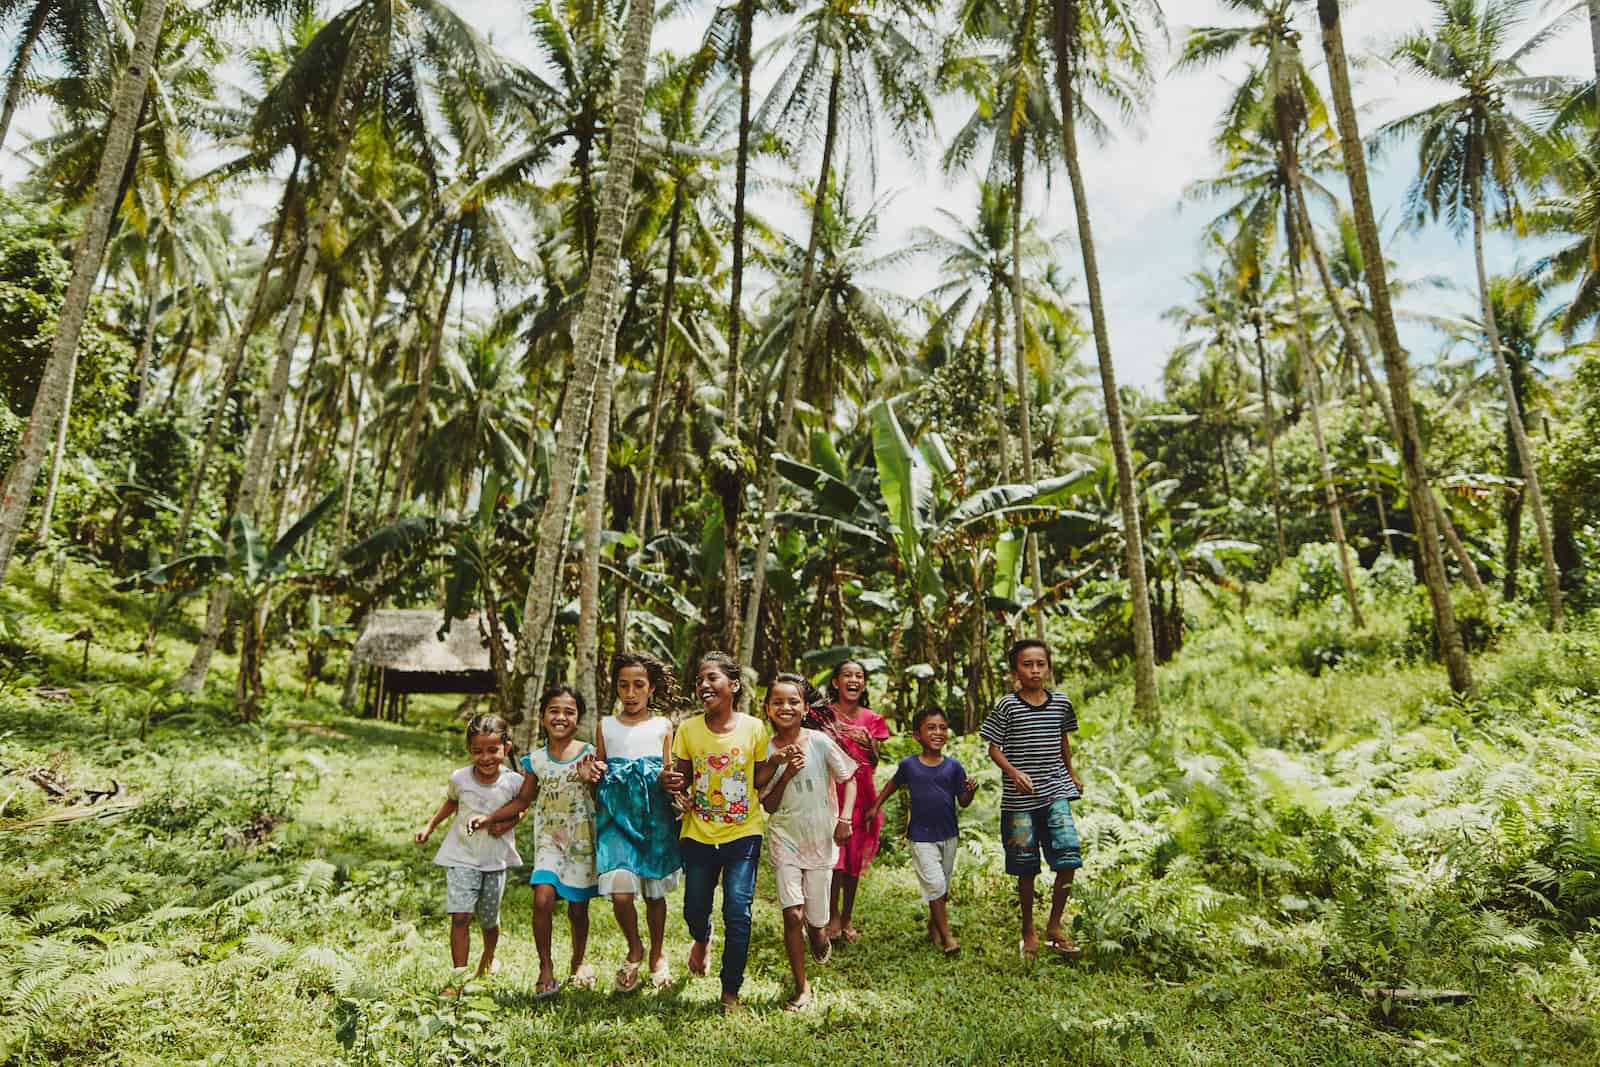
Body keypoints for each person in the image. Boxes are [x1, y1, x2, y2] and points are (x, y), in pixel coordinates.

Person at [660, 651, 776, 1013]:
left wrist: (778, 763)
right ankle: (702, 937)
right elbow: (680, 776)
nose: (704, 685)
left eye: (712, 678)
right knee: (695, 908)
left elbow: (757, 777)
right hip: (697, 834)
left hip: (744, 832)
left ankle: (730, 992)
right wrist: (669, 781)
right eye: (699, 680)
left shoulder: (754, 727)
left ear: (734, 685)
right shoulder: (689, 729)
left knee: (738, 911)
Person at [474, 686, 603, 999]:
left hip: (582, 841)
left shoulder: (589, 753)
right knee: (542, 897)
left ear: (578, 719)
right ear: (543, 717)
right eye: (554, 711)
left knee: (578, 908)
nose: (561, 717)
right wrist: (492, 818)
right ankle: (545, 969)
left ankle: (578, 962)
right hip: (550, 841)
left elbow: (600, 797)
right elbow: (523, 800)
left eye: (569, 712)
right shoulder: (536, 760)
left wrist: (592, 780)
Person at [759, 672, 857, 1012]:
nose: (785, 707)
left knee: (815, 920)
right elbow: (767, 804)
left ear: (804, 708)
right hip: (784, 838)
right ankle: (801, 988)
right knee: (792, 915)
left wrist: (844, 819)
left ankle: (818, 933)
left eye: (793, 701)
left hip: (820, 839)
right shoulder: (767, 751)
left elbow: (849, 779)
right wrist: (783, 771)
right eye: (778, 702)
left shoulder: (819, 742)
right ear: (768, 709)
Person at [980, 638, 1084, 959]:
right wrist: (1013, 773)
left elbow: (1062, 741)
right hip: (1019, 803)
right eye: (1027, 664)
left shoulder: (1061, 703)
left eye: (1040, 663)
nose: (1035, 670)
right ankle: (1028, 929)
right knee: (1025, 866)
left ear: (1049, 667)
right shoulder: (1007, 706)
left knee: (1068, 855)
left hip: (1056, 792)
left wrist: (1072, 774)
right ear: (1015, 671)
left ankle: (1054, 926)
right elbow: (993, 748)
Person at [414, 713, 525, 995]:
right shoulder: (460, 778)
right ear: (469, 750)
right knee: (460, 917)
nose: (485, 757)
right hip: (461, 855)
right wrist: (429, 827)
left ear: (506, 748)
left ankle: (488, 958)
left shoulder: (513, 782)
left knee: (489, 919)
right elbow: (451, 802)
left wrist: (506, 824)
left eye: (492, 750)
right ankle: (458, 980)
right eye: (478, 751)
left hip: (494, 859)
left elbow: (521, 809)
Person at [593, 652, 684, 992]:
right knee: (621, 892)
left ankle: (657, 954)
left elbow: (668, 769)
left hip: (653, 814)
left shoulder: (662, 726)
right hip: (615, 815)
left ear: (651, 688)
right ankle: (635, 946)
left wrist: (674, 789)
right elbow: (599, 768)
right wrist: (593, 773)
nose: (630, 693)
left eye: (638, 685)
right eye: (623, 685)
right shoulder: (606, 725)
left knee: (654, 893)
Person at [867, 707, 978, 957]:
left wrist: (970, 790)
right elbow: (892, 784)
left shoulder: (954, 767)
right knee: (935, 883)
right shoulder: (909, 765)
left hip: (949, 835)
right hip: (920, 837)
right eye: (931, 728)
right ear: (917, 735)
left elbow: (963, 801)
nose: (938, 732)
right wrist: (875, 806)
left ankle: (933, 925)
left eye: (942, 727)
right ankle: (948, 937)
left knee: (942, 885)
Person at [807, 659, 888, 944]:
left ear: (863, 684)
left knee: (852, 863)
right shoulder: (822, 717)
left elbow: (874, 762)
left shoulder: (873, 720)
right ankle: (832, 917)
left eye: (859, 676)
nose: (854, 680)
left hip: (862, 797)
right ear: (836, 682)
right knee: (834, 863)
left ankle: (848, 917)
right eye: (847, 675)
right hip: (831, 796)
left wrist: (869, 746)